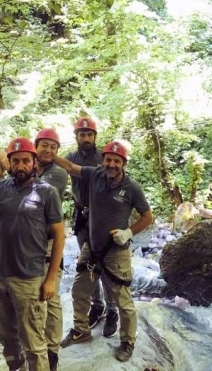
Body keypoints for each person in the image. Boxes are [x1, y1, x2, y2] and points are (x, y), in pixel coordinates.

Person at [55, 141, 154, 363]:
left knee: (123, 299)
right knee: (80, 290)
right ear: (103, 161)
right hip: (92, 245)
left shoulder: (132, 188)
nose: (111, 164)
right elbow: (71, 168)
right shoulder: (94, 175)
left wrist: (129, 232)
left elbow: (148, 217)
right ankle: (81, 329)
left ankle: (127, 341)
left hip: (116, 250)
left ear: (123, 164)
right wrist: (49, 154)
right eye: (108, 159)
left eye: (116, 161)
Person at [0, 137, 65, 371]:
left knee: (33, 340)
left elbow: (60, 236)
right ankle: (16, 367)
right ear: (9, 163)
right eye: (16, 161)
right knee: (6, 336)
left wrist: (50, 278)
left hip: (29, 277)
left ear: (34, 163)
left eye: (25, 161)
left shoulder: (47, 192)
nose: (21, 166)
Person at [64, 117, 117, 337]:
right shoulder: (70, 157)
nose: (86, 138)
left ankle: (112, 309)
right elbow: (59, 168)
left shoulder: (103, 158)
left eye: (89, 135)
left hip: (103, 217)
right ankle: (97, 305)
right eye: (82, 135)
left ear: (94, 137)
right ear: (76, 137)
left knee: (105, 263)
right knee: (87, 264)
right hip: (82, 215)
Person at [33, 128, 68, 371]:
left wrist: (20, 168)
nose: (48, 150)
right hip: (27, 244)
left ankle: (52, 349)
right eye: (44, 145)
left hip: (48, 242)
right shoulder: (28, 168)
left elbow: (37, 192)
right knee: (33, 298)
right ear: (36, 147)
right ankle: (36, 347)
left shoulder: (58, 174)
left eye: (53, 147)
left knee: (51, 298)